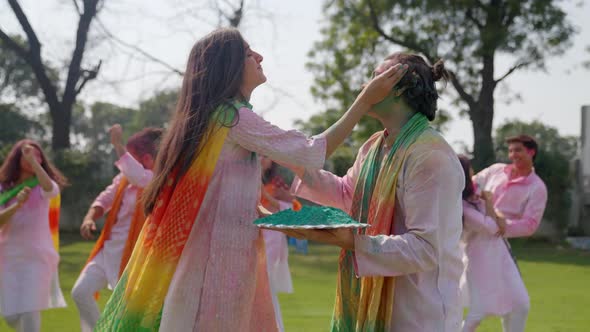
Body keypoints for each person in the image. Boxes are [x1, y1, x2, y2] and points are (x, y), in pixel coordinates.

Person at [95, 27, 406, 332]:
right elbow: (312, 153)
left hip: (212, 261)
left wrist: (273, 217)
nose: (259, 55)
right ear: (227, 67)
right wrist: (364, 101)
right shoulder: (232, 117)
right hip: (217, 268)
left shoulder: (213, 119)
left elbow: (221, 198)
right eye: (247, 53)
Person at [281, 53, 464, 331]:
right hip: (374, 300)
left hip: (418, 311)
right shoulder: (374, 146)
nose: (365, 87)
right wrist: (294, 163)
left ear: (401, 87)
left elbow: (426, 250)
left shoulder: (430, 154)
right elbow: (347, 193)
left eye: (376, 77)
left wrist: (354, 242)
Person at [71, 125, 163, 332]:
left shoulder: (158, 181)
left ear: (147, 158)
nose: (124, 162)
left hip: (133, 256)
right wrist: (89, 218)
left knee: (126, 313)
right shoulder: (124, 179)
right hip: (107, 250)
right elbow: (105, 198)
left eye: (130, 156)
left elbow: (138, 176)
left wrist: (117, 145)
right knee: (80, 293)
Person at [470, 134, 548, 332]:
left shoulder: (537, 188)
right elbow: (471, 186)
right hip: (473, 241)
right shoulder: (496, 171)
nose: (513, 155)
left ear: (531, 152)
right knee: (483, 307)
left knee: (517, 306)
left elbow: (530, 225)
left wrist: (503, 225)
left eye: (518, 150)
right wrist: (493, 216)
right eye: (511, 150)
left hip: (498, 245)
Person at [0, 140, 68, 332]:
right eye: (28, 154)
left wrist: (33, 162)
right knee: (11, 316)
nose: (33, 158)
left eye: (38, 156)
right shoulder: (4, 188)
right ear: (16, 158)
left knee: (30, 310)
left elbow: (51, 189)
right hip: (8, 258)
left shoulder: (42, 185)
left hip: (37, 257)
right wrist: (17, 205)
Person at [458, 154, 529, 332]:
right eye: (470, 169)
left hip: (501, 256)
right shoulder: (462, 207)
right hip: (481, 260)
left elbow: (496, 218)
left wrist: (498, 213)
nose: (474, 172)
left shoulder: (475, 196)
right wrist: (489, 201)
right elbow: (491, 227)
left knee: (521, 304)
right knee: (478, 312)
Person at [260, 157, 295, 332]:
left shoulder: (276, 182)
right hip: (253, 234)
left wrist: (267, 197)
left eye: (264, 156)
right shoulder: (247, 176)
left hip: (271, 236)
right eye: (257, 154)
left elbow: (294, 207)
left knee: (266, 286)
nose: (260, 159)